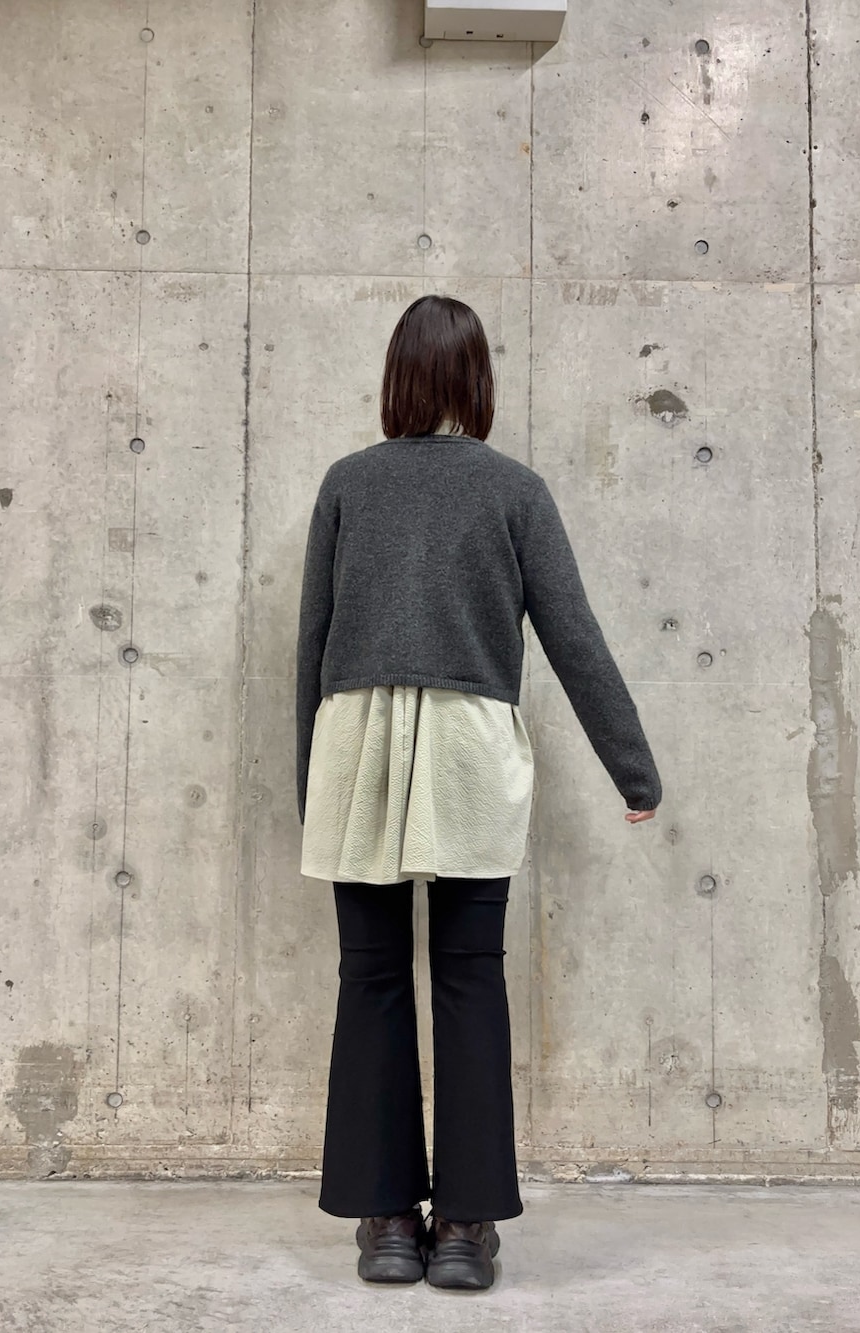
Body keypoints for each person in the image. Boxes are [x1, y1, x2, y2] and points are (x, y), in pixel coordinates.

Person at [295, 294, 662, 1291]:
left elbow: (312, 646)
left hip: (357, 745)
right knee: (469, 976)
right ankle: (462, 1226)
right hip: (467, 747)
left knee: (370, 976)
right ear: (477, 380)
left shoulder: (347, 482)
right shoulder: (515, 489)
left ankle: (384, 1221)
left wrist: (310, 783)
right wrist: (633, 770)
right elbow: (574, 636)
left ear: (395, 379)